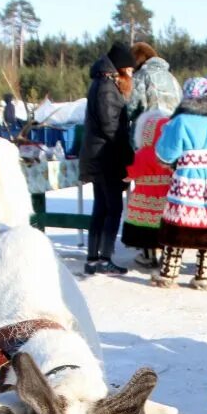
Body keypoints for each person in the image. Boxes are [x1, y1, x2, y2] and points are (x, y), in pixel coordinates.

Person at [152, 78, 207, 290]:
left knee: (178, 221)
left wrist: (170, 161)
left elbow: (166, 152)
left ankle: (168, 273)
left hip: (187, 176)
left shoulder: (180, 122)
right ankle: (204, 276)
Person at [78, 42, 136, 275]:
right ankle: (103, 258)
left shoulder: (101, 84)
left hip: (100, 156)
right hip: (107, 158)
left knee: (102, 207)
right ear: (121, 69)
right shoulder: (106, 88)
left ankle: (94, 259)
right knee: (112, 208)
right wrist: (127, 158)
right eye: (130, 71)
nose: (131, 75)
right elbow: (112, 128)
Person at [121, 106, 172, 270]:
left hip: (144, 198)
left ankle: (148, 256)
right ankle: (167, 255)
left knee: (145, 229)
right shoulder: (170, 153)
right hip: (167, 198)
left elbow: (131, 173)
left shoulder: (142, 153)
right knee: (165, 228)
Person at [126, 42, 181, 128]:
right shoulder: (173, 79)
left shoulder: (140, 77)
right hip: (170, 130)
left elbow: (130, 109)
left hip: (147, 133)